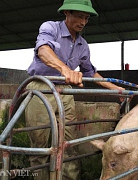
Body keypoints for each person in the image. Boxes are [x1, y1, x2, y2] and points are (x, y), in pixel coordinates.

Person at [25, 0, 124, 179]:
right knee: (39, 145)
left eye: (86, 18)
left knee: (69, 144)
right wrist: (65, 70)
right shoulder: (51, 28)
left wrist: (116, 89)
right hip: (41, 86)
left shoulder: (83, 45)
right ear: (66, 13)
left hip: (65, 91)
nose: (83, 22)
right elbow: (43, 49)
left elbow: (90, 72)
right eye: (79, 16)